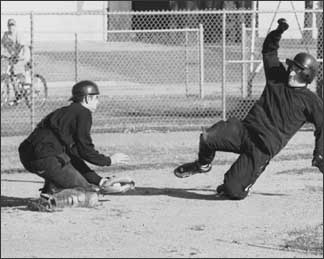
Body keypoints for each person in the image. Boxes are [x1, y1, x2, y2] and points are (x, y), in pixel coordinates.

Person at [173, 18, 323, 200]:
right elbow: (269, 51)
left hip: (261, 148)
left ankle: (238, 185)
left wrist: (319, 154)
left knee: (231, 191)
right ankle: (202, 165)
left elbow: (322, 126)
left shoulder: (311, 101)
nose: (291, 71)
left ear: (306, 75)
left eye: (297, 70)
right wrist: (278, 32)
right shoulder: (277, 77)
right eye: (291, 67)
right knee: (207, 138)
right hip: (244, 130)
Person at [18, 80, 135, 211]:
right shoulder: (83, 112)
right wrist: (108, 160)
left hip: (29, 156)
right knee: (89, 194)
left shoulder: (64, 112)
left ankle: (52, 190)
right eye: (96, 98)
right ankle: (48, 202)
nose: (98, 102)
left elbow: (73, 155)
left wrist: (99, 181)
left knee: (63, 163)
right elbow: (85, 149)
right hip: (46, 158)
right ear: (87, 98)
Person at [1, 18, 31, 105]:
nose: (11, 27)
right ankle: (18, 95)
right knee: (11, 75)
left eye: (13, 25)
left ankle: (25, 90)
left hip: (22, 56)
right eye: (10, 25)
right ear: (7, 26)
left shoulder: (18, 34)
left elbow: (21, 46)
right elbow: (2, 45)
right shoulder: (6, 35)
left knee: (17, 72)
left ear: (15, 26)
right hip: (13, 57)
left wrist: (15, 56)